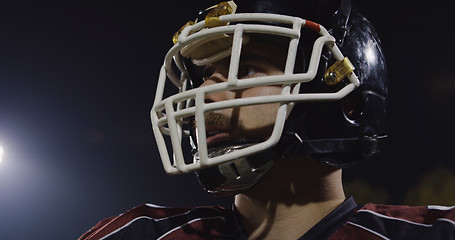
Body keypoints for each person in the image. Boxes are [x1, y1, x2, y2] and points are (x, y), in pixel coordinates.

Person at [79, 0, 455, 239]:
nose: (206, 92)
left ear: (347, 105)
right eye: (206, 75)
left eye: (249, 69)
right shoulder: (138, 234)